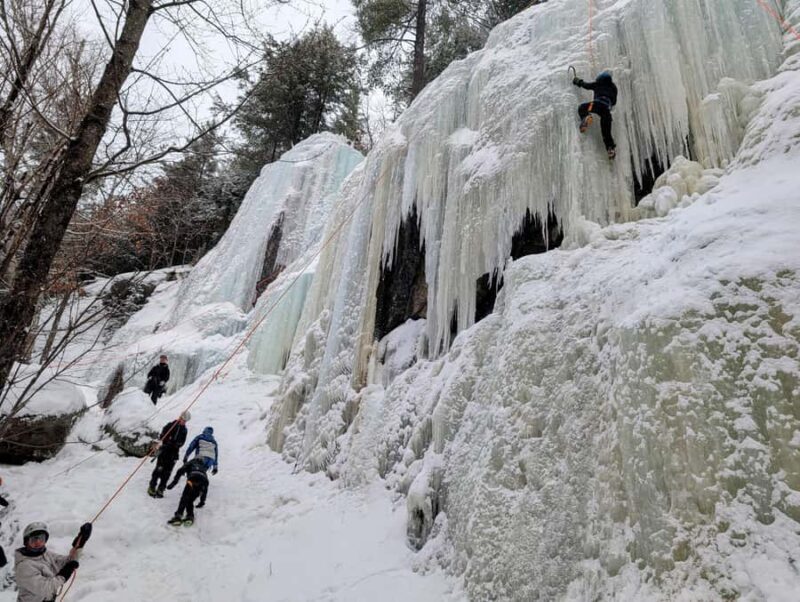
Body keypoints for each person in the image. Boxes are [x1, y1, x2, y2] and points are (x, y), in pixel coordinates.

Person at [14, 521, 92, 602]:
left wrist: (80, 541)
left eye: (41, 538)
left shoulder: (46, 555)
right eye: (33, 539)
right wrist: (64, 575)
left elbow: (68, 561)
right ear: (26, 542)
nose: (38, 542)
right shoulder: (24, 566)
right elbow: (46, 589)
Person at [573, 70, 618, 159]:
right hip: (606, 110)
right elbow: (614, 102)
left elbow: (586, 85)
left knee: (582, 108)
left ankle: (586, 116)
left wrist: (577, 81)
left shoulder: (598, 83)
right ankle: (610, 149)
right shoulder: (613, 87)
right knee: (606, 132)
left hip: (596, 105)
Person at [147, 411, 190, 498]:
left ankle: (161, 489)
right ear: (180, 418)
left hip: (173, 454)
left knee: (167, 473)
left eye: (185, 421)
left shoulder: (184, 430)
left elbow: (182, 442)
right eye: (183, 420)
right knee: (158, 470)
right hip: (164, 452)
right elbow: (162, 435)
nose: (183, 422)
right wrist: (166, 441)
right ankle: (152, 486)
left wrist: (175, 444)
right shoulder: (171, 425)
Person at [166, 458, 209, 526]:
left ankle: (178, 517)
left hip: (192, 479)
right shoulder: (203, 467)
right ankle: (190, 516)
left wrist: (173, 483)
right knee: (190, 500)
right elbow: (205, 488)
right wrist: (202, 501)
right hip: (203, 482)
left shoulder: (190, 463)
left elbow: (180, 470)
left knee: (185, 498)